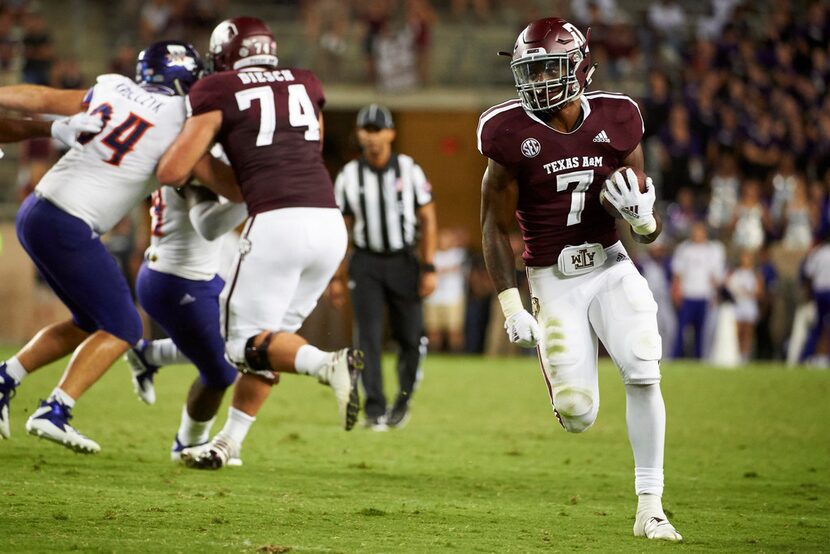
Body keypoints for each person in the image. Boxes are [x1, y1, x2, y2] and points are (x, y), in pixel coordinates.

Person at [477, 17, 682, 542]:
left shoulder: (618, 118)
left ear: (580, 68)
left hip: (611, 265)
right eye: (530, 72)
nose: (538, 83)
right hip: (552, 279)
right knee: (577, 414)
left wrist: (643, 221)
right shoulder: (508, 133)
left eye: (548, 70)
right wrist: (511, 305)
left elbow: (649, 227)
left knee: (642, 365)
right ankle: (565, 375)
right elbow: (493, 227)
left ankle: (650, 506)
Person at [156, 16, 362, 470]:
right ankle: (228, 444)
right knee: (269, 342)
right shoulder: (306, 82)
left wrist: (215, 170)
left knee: (239, 344)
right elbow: (311, 146)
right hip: (328, 223)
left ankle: (328, 364)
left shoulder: (217, 90)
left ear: (224, 57)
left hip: (277, 223)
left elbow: (171, 171)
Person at [0, 41, 214, 451]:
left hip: (37, 210)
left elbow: (42, 97)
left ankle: (5, 377)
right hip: (68, 222)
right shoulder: (184, 117)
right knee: (125, 327)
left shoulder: (113, 88)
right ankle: (56, 409)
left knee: (88, 320)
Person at [330, 103, 437, 430]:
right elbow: (340, 228)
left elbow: (428, 219)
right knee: (368, 339)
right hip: (366, 263)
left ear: (390, 133)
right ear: (359, 134)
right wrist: (337, 275)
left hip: (404, 261)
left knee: (410, 336)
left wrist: (429, 266)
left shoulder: (408, 169)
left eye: (378, 130)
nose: (372, 137)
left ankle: (401, 403)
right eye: (366, 130)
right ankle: (375, 409)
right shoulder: (349, 175)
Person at [126, 179, 249, 463]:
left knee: (241, 342)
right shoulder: (191, 164)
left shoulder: (193, 155)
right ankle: (189, 443)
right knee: (221, 370)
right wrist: (255, 193)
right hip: (178, 280)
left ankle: (149, 355)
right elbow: (210, 226)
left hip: (197, 276)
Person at [671, 221, 726, 359]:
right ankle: (677, 356)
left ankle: (699, 358)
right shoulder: (684, 249)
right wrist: (676, 292)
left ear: (705, 232)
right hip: (688, 294)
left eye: (700, 231)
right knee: (681, 330)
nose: (697, 234)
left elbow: (716, 276)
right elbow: (677, 274)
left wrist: (716, 294)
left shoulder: (714, 250)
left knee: (702, 332)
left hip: (704, 295)